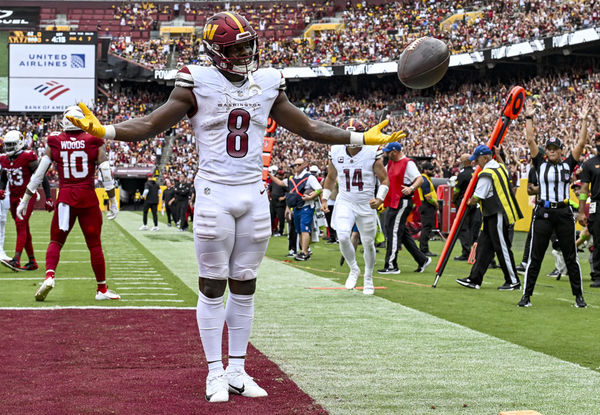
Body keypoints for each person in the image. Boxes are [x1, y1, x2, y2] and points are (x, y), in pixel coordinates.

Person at [65, 11, 403, 404]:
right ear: (216, 51)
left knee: (245, 285)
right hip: (214, 193)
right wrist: (105, 130)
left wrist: (359, 136)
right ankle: (214, 373)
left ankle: (238, 370)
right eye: (236, 47)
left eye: (247, 44)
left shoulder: (268, 82)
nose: (245, 52)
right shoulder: (196, 81)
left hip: (253, 194)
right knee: (212, 285)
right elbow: (154, 123)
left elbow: (307, 126)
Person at [15, 106, 120, 301]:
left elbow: (39, 174)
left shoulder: (55, 141)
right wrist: (112, 200)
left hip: (64, 199)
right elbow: (105, 172)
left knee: (56, 241)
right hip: (87, 198)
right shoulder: (93, 140)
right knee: (94, 244)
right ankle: (102, 289)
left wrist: (25, 199)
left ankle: (49, 276)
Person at [518, 103, 589, 307]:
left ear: (560, 150)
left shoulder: (567, 164)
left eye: (554, 149)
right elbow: (530, 139)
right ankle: (526, 296)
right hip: (543, 212)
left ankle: (578, 296)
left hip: (563, 212)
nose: (551, 152)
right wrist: (529, 118)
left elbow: (582, 143)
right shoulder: (540, 163)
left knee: (570, 255)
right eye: (548, 149)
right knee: (535, 256)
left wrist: (583, 120)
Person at [321, 118, 390, 295]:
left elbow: (384, 180)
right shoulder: (336, 150)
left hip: (366, 202)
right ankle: (354, 268)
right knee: (343, 236)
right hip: (345, 200)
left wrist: (380, 198)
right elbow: (330, 177)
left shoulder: (372, 151)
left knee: (368, 243)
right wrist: (324, 198)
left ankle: (368, 277)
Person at [456, 145, 522, 291]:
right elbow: (505, 168)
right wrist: (498, 155)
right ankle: (474, 279)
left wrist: (467, 202)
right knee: (484, 247)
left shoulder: (487, 173)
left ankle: (513, 281)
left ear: (485, 158)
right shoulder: (500, 168)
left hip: (496, 213)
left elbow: (478, 196)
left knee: (502, 247)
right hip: (496, 213)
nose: (475, 163)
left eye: (478, 159)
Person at [0, 130, 54, 271]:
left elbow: (41, 176)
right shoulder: (5, 159)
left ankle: (16, 259)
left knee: (20, 224)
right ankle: (32, 261)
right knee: (24, 228)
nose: (9, 147)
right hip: (12, 197)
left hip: (27, 196)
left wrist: (48, 197)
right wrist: (1, 189)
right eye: (7, 145)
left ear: (19, 143)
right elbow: (4, 177)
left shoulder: (28, 157)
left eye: (12, 144)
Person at [378, 142, 431, 274]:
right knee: (401, 232)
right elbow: (382, 174)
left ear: (395, 152)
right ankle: (422, 259)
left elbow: (420, 179)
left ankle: (391, 265)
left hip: (402, 201)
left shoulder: (408, 163)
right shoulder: (391, 162)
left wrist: (411, 188)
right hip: (394, 201)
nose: (386, 154)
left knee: (393, 231)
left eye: (388, 151)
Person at [277, 158, 322, 261]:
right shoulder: (293, 178)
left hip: (306, 206)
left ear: (304, 165)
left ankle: (305, 252)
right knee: (299, 230)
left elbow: (319, 189)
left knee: (304, 228)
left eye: (298, 165)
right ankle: (303, 251)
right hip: (297, 206)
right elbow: (286, 189)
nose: (296, 167)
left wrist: (311, 197)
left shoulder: (309, 177)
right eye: (295, 165)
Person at [578, 131, 600, 288]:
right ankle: (598, 275)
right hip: (597, 205)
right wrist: (580, 211)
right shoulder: (589, 164)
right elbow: (584, 190)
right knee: (598, 241)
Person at [452, 154, 481, 261]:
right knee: (473, 227)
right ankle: (473, 252)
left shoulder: (462, 174)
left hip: (464, 202)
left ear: (464, 162)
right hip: (475, 201)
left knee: (463, 228)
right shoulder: (476, 173)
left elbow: (456, 191)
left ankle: (466, 252)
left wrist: (454, 200)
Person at [418, 162, 439, 257]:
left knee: (426, 227)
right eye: (431, 169)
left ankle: (423, 249)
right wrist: (436, 204)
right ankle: (424, 249)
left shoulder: (425, 179)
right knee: (426, 228)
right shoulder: (424, 180)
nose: (433, 171)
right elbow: (427, 196)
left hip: (425, 205)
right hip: (427, 205)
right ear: (425, 170)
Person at [0, 137, 11, 261]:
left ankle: (1, 251)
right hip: (3, 193)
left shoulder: (6, 158)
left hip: (4, 194)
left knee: (2, 221)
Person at [268, 169, 286, 236]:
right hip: (273, 202)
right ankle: (271, 231)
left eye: (281, 175)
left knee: (281, 219)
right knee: (271, 218)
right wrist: (269, 196)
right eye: (279, 174)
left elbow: (289, 192)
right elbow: (270, 189)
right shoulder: (273, 181)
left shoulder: (284, 182)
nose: (279, 176)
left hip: (280, 203)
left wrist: (283, 197)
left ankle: (281, 232)